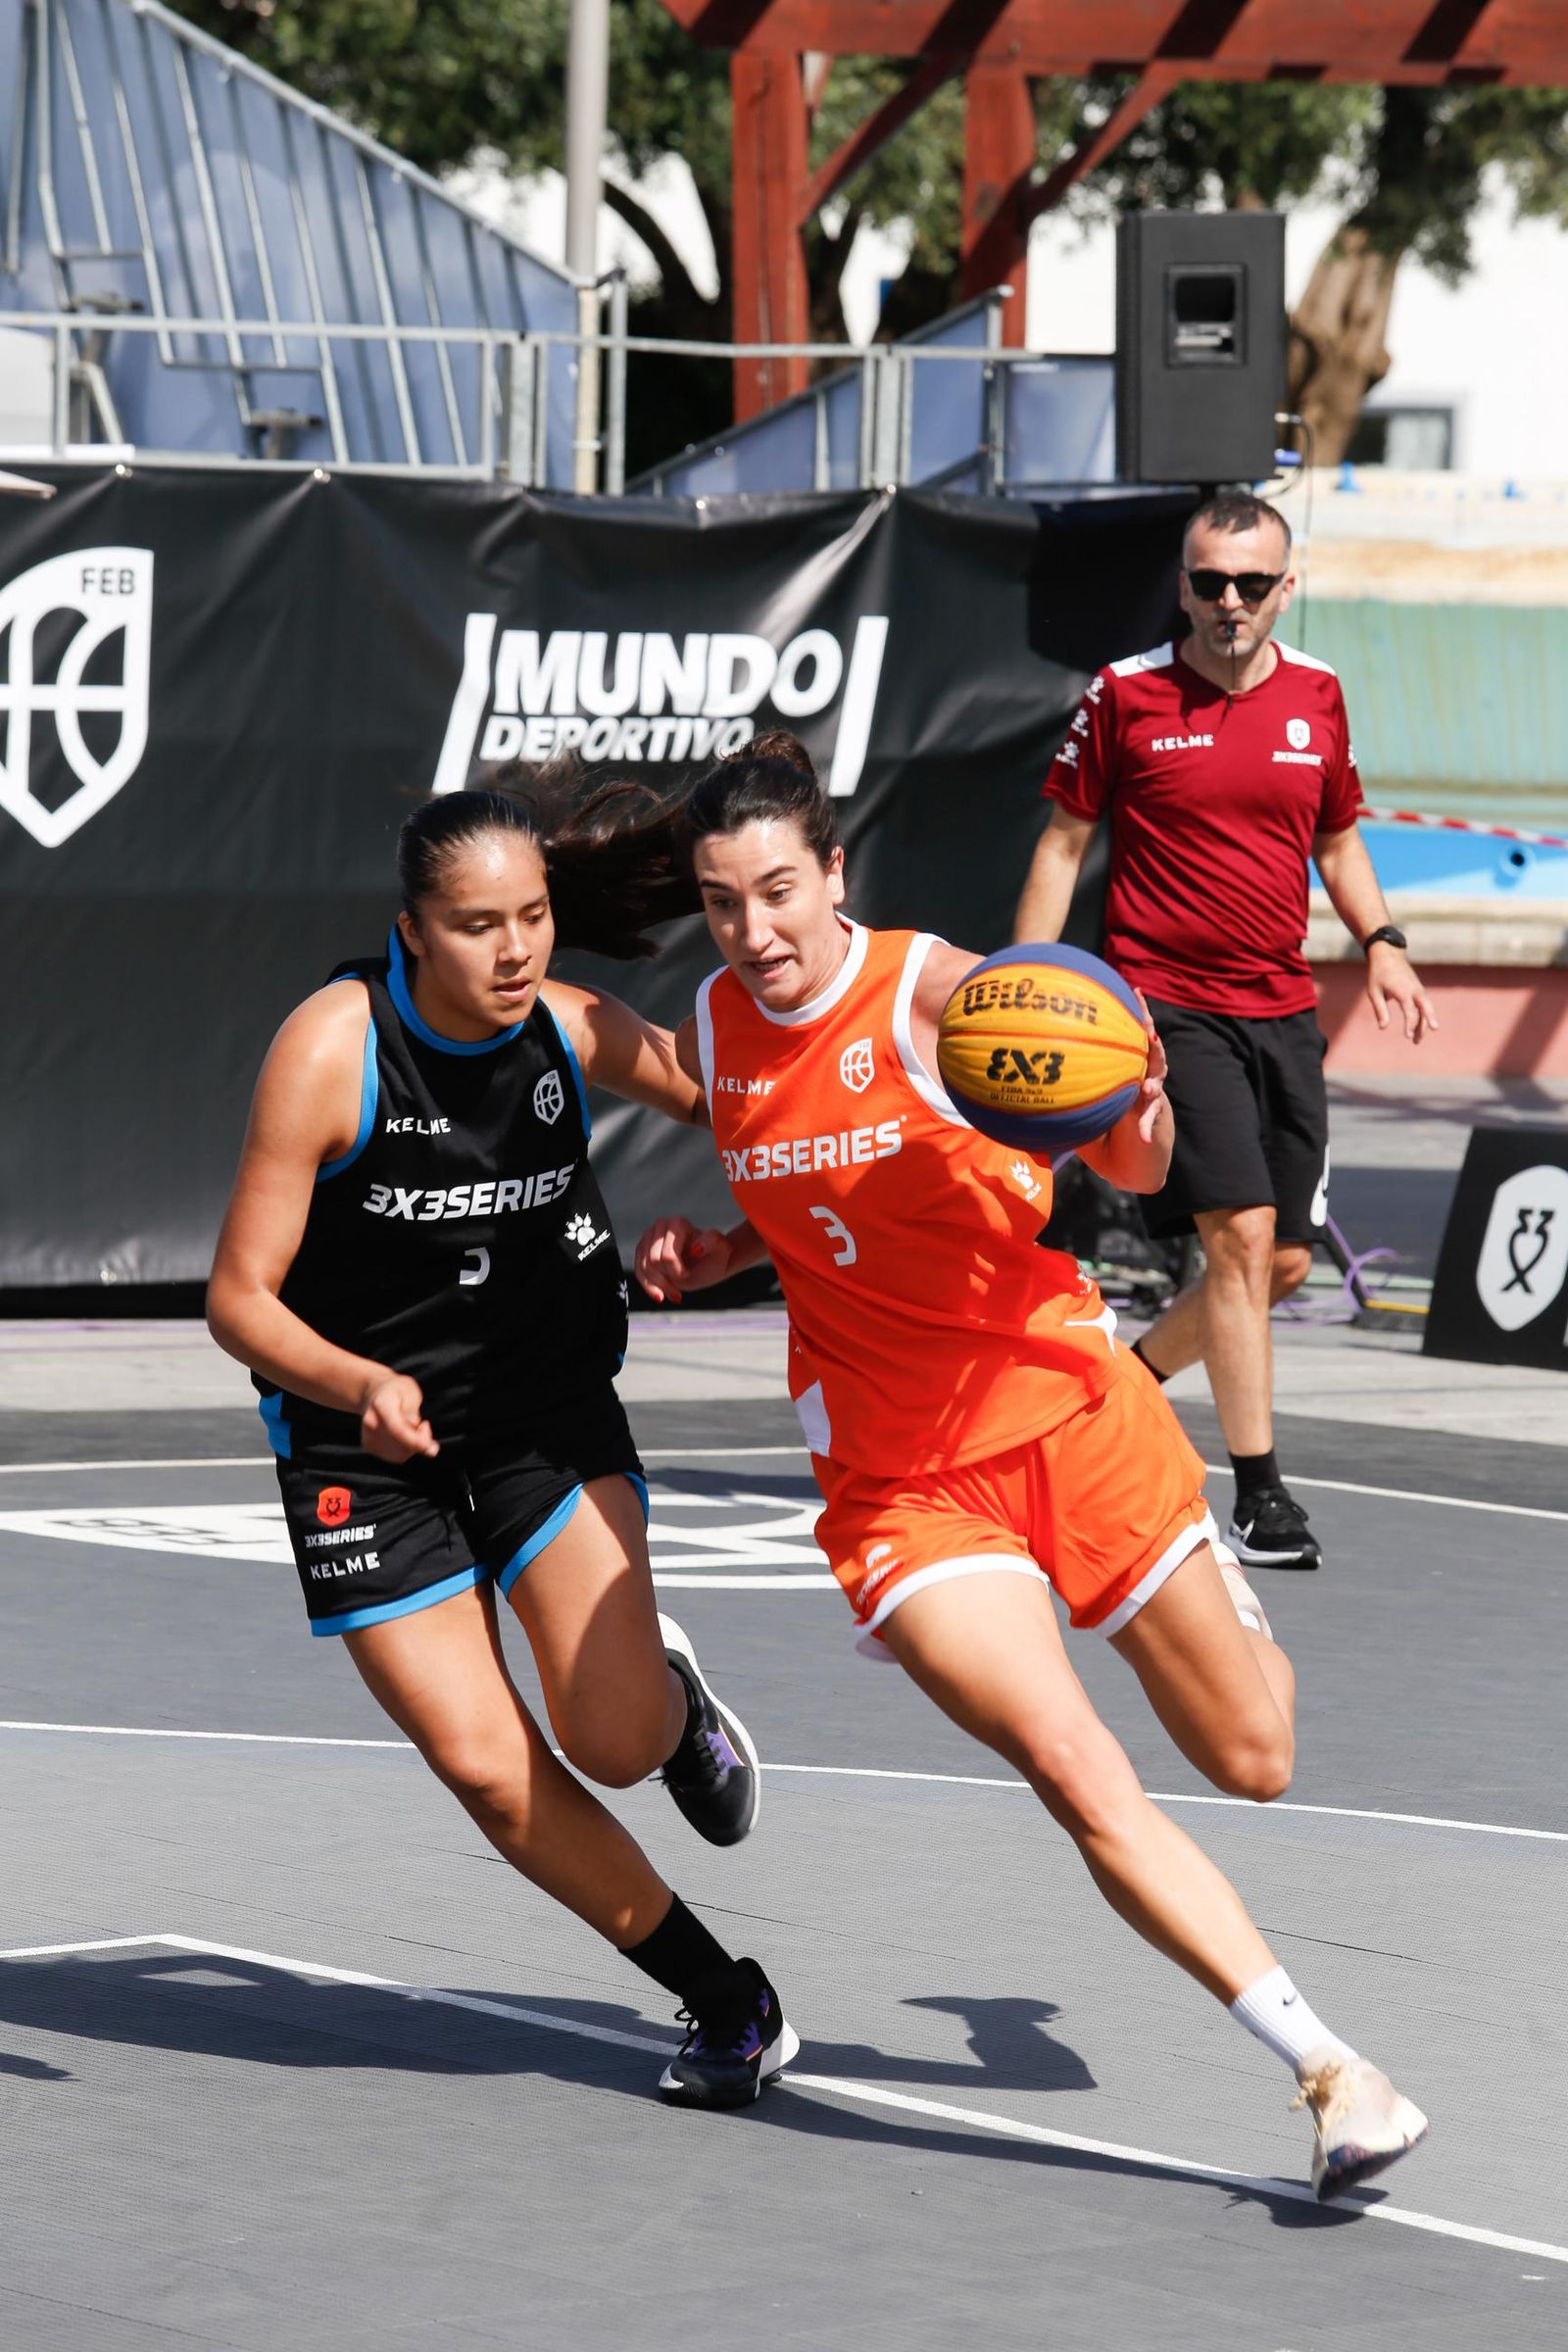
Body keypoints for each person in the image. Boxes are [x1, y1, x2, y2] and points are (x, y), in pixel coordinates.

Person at [633, 751, 1428, 2200]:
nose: (753, 930)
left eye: (779, 892)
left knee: (1253, 1757)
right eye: (722, 902)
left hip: (1066, 1408)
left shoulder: (952, 999)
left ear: (835, 875)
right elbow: (821, 1188)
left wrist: (1140, 1105)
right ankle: (1333, 2072)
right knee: (1077, 1771)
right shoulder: (716, 1027)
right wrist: (726, 1250)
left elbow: (1134, 1160)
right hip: (900, 1482)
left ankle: (1215, 1580)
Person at [207, 778, 795, 2110]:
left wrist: (740, 1239)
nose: (518, 948)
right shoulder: (332, 1050)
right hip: (361, 1444)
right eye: (481, 926)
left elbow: (762, 1114)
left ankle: (671, 1706)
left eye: (533, 916)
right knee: (485, 1765)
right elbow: (239, 1299)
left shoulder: (572, 1030)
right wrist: (357, 1380)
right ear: (413, 930)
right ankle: (729, 1999)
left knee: (614, 1739)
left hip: (541, 1412)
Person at [1013, 491, 1437, 1571]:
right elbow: (1064, 842)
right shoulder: (1125, 693)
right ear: (1183, 587)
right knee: (1239, 1238)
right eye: (1210, 582)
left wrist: (1383, 940)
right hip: (1166, 1007)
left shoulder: (1319, 693)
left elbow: (1337, 840)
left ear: (1285, 587)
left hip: (1282, 1010)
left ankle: (1120, 1387)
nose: (1230, 601)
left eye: (1251, 582)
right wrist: (1021, 983)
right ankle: (1259, 1497)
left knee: (1282, 1261)